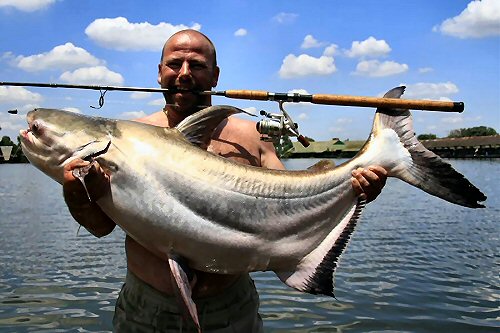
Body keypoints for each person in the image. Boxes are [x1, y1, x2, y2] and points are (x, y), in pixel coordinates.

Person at [62, 29, 387, 332]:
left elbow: (293, 208)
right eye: (175, 64)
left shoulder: (251, 136)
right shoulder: (129, 136)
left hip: (232, 308)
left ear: (215, 75)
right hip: (145, 309)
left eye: (198, 65)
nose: (185, 73)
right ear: (159, 71)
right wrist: (76, 194)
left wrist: (353, 190)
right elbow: (101, 226)